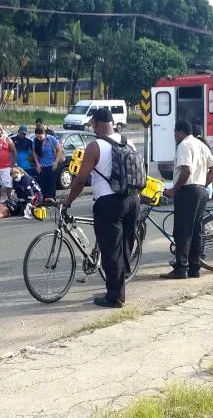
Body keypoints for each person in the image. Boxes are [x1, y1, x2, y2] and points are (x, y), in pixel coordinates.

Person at [62, 108, 140, 308]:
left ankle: (114, 297)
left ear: (96, 124)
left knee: (111, 252)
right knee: (123, 248)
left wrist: (68, 200)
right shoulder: (128, 142)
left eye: (92, 124)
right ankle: (119, 288)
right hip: (132, 200)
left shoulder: (95, 146)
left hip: (109, 202)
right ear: (113, 123)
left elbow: (80, 180)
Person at [160, 120, 213, 279]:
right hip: (200, 191)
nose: (174, 136)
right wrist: (203, 184)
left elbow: (186, 170)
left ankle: (181, 268)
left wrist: (174, 190)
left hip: (187, 191)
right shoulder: (201, 145)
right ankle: (194, 268)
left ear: (180, 132)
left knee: (183, 231)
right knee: (196, 230)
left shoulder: (184, 145)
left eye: (174, 133)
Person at [32, 126, 63, 200]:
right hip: (42, 166)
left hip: (51, 165)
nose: (39, 139)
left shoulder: (51, 139)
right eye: (37, 137)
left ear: (44, 134)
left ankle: (51, 200)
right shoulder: (35, 141)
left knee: (51, 184)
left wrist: (56, 162)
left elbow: (59, 150)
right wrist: (37, 164)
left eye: (40, 137)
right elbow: (34, 152)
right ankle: (43, 201)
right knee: (42, 184)